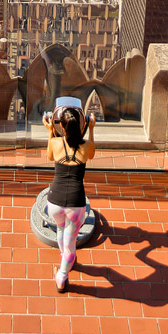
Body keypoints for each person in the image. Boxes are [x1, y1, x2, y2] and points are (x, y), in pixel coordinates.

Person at [42, 106, 96, 292]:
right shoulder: (86, 146)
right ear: (81, 125)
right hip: (75, 205)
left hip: (54, 202)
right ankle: (62, 276)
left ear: (62, 127)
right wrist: (92, 128)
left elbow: (50, 156)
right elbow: (92, 154)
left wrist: (50, 132)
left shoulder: (56, 144)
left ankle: (64, 256)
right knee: (70, 244)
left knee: (60, 228)